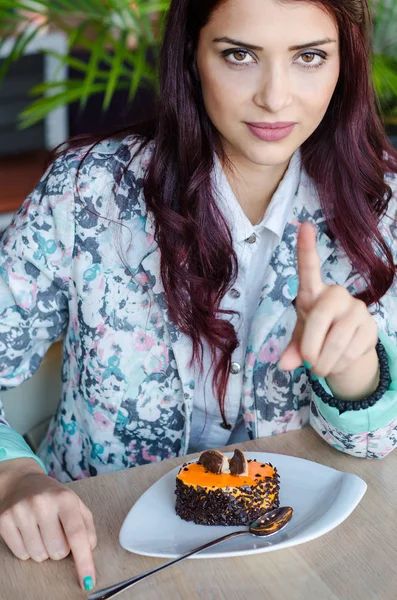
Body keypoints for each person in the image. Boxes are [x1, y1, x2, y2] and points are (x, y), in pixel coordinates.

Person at [1, 0, 397, 591]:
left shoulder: (382, 210)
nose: (276, 97)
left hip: (300, 552)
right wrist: (12, 476)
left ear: (346, 64)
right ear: (191, 57)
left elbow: (374, 447)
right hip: (90, 539)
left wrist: (358, 375)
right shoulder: (87, 191)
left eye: (310, 57)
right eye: (239, 55)